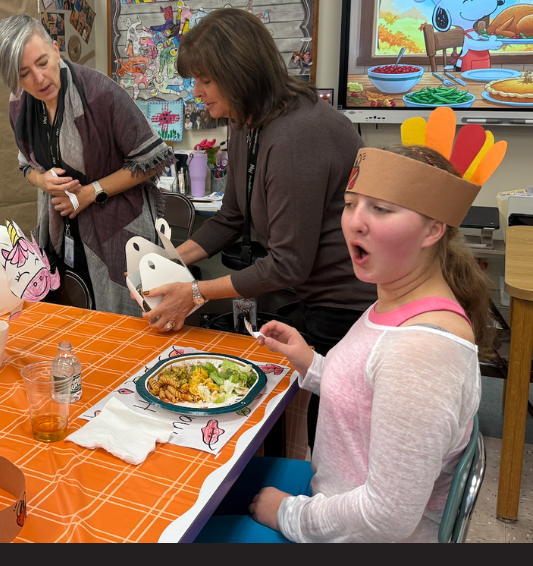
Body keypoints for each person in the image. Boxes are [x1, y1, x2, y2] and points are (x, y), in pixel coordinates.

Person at [195, 136, 499, 542]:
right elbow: (372, 396)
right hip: (333, 496)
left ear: (433, 230)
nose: (354, 221)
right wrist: (310, 362)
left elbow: (385, 519)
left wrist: (286, 512)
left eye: (382, 209)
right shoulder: (395, 303)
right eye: (351, 202)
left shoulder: (421, 352)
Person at [142, 8, 375, 447]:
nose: (197, 93)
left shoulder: (297, 135)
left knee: (329, 437)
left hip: (342, 306)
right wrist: (168, 261)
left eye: (205, 80)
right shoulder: (246, 121)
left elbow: (288, 264)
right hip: (303, 296)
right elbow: (232, 217)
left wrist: (194, 292)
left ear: (239, 72)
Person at [0, 15, 174, 315]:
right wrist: (43, 181)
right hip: (61, 237)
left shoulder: (100, 94)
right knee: (68, 327)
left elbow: (152, 161)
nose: (38, 79)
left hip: (120, 234)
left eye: (42, 62)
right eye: (24, 73)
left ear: (55, 47)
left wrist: (91, 192)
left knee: (122, 334)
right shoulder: (20, 105)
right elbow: (26, 166)